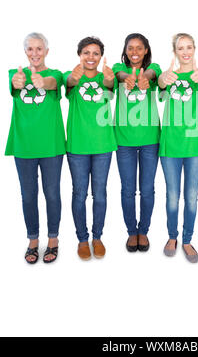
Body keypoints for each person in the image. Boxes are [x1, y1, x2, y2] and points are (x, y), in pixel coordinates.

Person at [5, 32, 65, 264]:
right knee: (28, 195)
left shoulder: (56, 75)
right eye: (30, 49)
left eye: (39, 49)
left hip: (51, 145)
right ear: (25, 52)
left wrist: (43, 81)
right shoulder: (15, 73)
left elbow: (52, 83)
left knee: (52, 194)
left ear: (46, 52)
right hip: (24, 146)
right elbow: (15, 83)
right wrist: (19, 81)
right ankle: (32, 240)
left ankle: (53, 239)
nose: (35, 53)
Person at [158, 33, 198, 263]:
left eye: (189, 47)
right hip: (171, 145)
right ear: (175, 52)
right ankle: (172, 237)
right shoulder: (168, 76)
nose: (185, 52)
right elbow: (159, 89)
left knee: (191, 196)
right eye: (181, 48)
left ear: (195, 49)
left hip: (197, 145)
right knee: (172, 196)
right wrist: (162, 79)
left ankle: (187, 240)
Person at [64, 36, 117, 260]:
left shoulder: (106, 77)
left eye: (96, 53)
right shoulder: (71, 76)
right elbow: (69, 84)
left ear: (101, 56)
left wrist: (110, 80)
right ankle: (82, 239)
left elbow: (110, 87)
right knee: (79, 193)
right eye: (86, 52)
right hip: (77, 145)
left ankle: (97, 237)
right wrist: (72, 79)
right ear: (79, 55)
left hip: (103, 144)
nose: (91, 57)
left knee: (100, 194)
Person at [112, 33, 161, 253]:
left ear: (146, 51)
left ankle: (144, 231)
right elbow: (119, 74)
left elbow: (152, 73)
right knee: (128, 190)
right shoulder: (116, 68)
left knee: (148, 189)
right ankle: (132, 231)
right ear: (125, 50)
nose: (134, 52)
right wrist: (127, 78)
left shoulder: (155, 68)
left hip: (150, 140)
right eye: (130, 48)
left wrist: (145, 78)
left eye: (139, 48)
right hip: (124, 140)